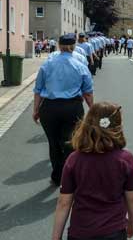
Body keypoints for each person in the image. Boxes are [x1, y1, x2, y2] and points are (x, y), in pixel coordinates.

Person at [51, 102, 133, 240]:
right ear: (117, 127)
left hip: (81, 232)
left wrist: (56, 237)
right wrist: (132, 223)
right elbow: (131, 198)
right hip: (114, 231)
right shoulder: (126, 160)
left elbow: (64, 202)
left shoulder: (74, 160)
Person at [32, 34, 94, 186]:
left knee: (53, 143)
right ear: (74, 47)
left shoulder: (48, 64)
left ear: (59, 46)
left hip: (50, 107)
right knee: (70, 143)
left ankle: (57, 175)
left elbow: (38, 90)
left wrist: (36, 110)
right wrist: (93, 109)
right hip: (72, 107)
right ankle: (70, 177)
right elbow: (87, 92)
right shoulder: (80, 65)